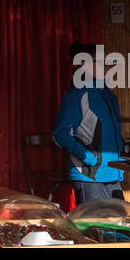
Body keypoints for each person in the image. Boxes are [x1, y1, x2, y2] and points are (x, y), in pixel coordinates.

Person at [52, 41, 124, 204]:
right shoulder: (77, 94)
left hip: (113, 172)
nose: (107, 67)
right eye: (102, 62)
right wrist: (89, 157)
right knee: (95, 228)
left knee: (119, 227)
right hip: (89, 176)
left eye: (108, 63)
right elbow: (60, 135)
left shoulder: (108, 95)